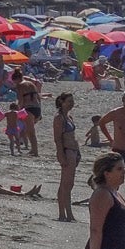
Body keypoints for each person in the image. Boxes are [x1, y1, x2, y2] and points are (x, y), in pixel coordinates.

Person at [52, 92, 80, 223]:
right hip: (66, 151)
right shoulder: (59, 118)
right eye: (69, 101)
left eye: (72, 101)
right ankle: (64, 213)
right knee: (65, 183)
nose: (71, 104)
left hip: (73, 151)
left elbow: (73, 136)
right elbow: (57, 139)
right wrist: (61, 155)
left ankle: (67, 213)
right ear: (62, 102)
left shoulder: (69, 117)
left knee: (69, 183)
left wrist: (78, 152)